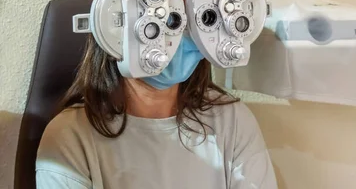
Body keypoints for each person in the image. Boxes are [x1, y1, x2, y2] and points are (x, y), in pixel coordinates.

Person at [35, 17, 278, 188]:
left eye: (188, 18)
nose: (175, 36)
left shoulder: (232, 120)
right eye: (161, 21)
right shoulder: (70, 136)